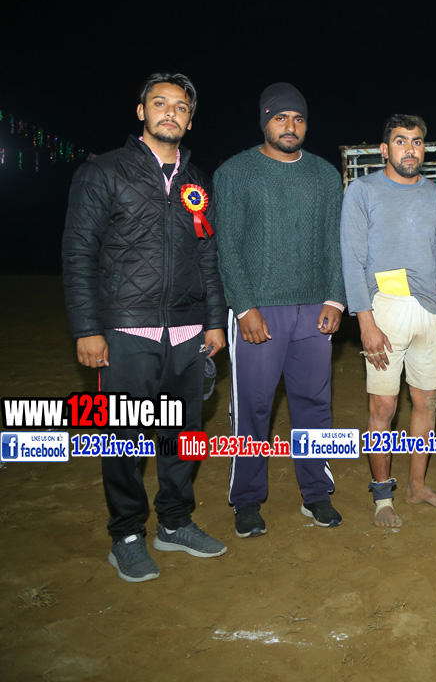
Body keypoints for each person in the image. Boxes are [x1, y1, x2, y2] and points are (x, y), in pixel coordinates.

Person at [62, 72, 228, 582]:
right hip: (126, 331)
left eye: (180, 107)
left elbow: (207, 256)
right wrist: (87, 329)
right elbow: (78, 253)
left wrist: (214, 322)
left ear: (190, 120)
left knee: (185, 436)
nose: (170, 113)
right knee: (124, 439)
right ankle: (127, 534)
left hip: (187, 332)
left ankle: (174, 523)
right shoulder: (103, 172)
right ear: (141, 112)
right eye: (160, 103)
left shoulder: (197, 181)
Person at [215, 82, 347, 537]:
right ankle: (247, 500)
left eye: (298, 118)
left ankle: (317, 493)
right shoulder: (235, 172)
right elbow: (227, 246)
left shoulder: (325, 175)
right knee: (252, 408)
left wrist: (335, 298)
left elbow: (335, 242)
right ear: (264, 122)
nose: (290, 126)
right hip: (259, 311)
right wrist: (243, 307)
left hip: (314, 309)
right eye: (280, 118)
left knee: (315, 405)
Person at [340, 114, 436, 528]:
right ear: (384, 149)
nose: (410, 149)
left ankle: (417, 486)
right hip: (384, 309)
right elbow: (352, 259)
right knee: (384, 406)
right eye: (401, 141)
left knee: (426, 402)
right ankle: (382, 497)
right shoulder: (362, 191)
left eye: (417, 141)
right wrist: (366, 322)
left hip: (431, 311)